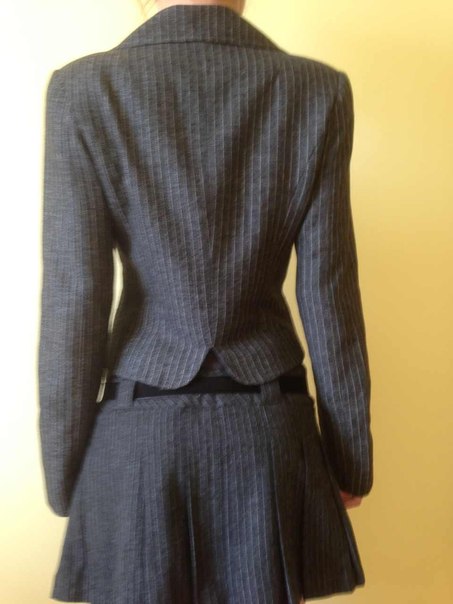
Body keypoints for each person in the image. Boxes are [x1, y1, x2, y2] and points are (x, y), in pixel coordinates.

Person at [38, 0, 373, 602]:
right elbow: (330, 293)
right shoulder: (317, 91)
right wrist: (350, 462)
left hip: (138, 443)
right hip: (267, 432)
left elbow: (75, 297)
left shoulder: (83, 91)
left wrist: (66, 474)